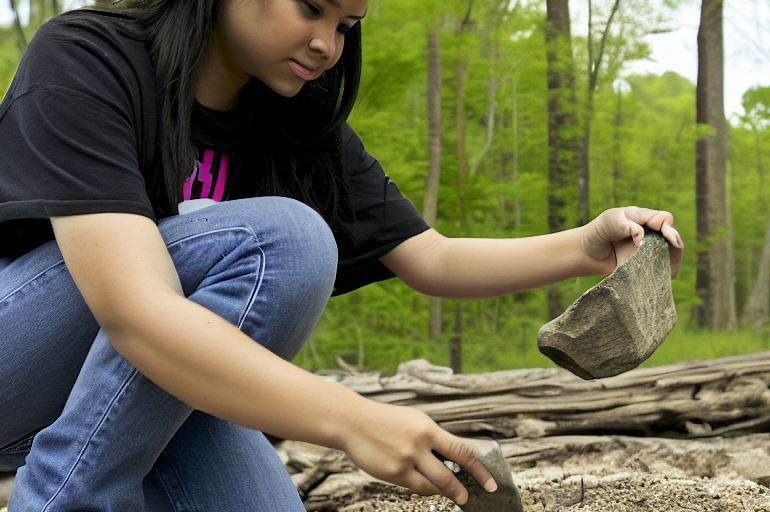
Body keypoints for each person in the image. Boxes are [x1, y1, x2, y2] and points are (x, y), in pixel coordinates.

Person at [0, 0, 685, 510]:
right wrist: (353, 422)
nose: (327, 44)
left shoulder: (296, 118)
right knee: (284, 240)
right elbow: (135, 312)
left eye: (346, 25)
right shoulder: (89, 58)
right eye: (311, 9)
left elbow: (433, 259)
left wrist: (584, 247)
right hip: (18, 367)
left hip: (139, 391)